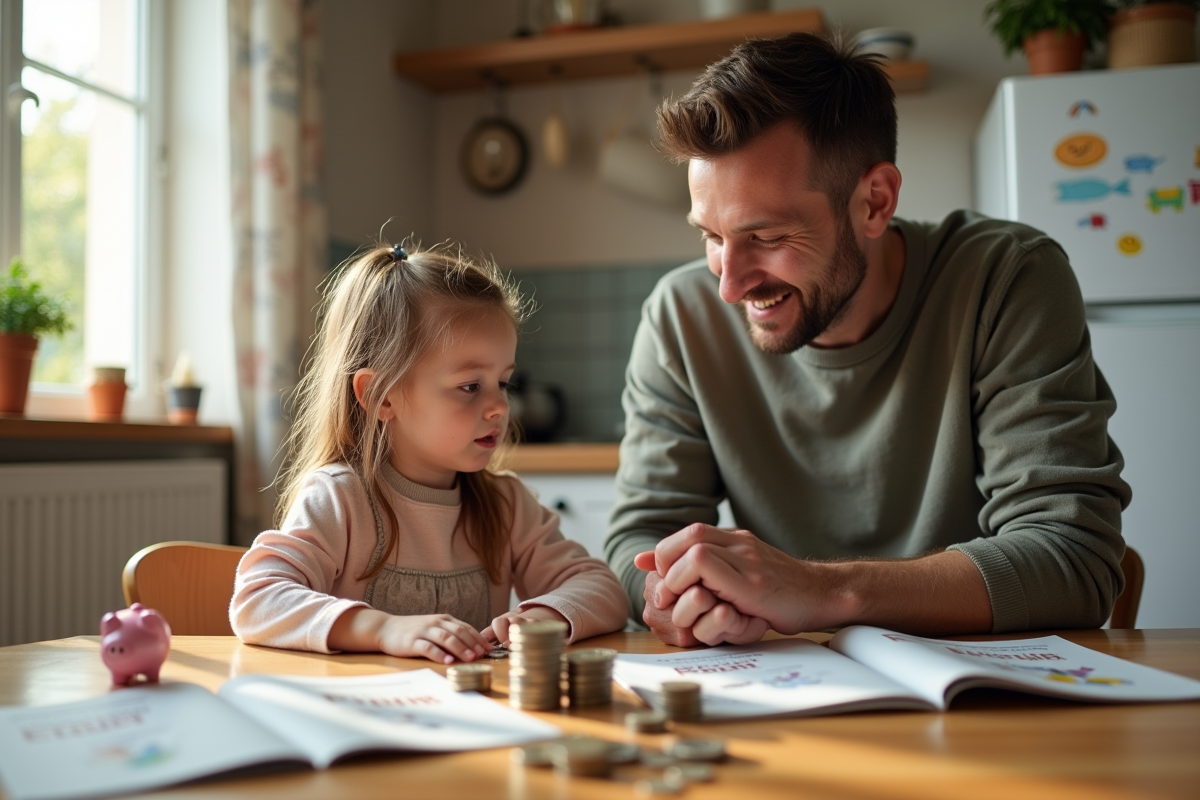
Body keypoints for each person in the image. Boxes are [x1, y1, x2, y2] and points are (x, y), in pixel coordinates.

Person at [604, 33, 1130, 648]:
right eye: (712, 237)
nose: (729, 285)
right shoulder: (679, 316)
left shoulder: (1006, 279)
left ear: (874, 202)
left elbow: (1072, 558)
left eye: (767, 237)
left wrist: (820, 591)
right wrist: (678, 597)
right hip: (781, 684)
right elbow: (639, 540)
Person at [232, 242, 628, 663]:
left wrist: (548, 615)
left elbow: (603, 588)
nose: (500, 406)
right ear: (381, 396)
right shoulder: (339, 498)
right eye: (470, 386)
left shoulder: (506, 505)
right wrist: (383, 629)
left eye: (503, 383)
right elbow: (258, 598)